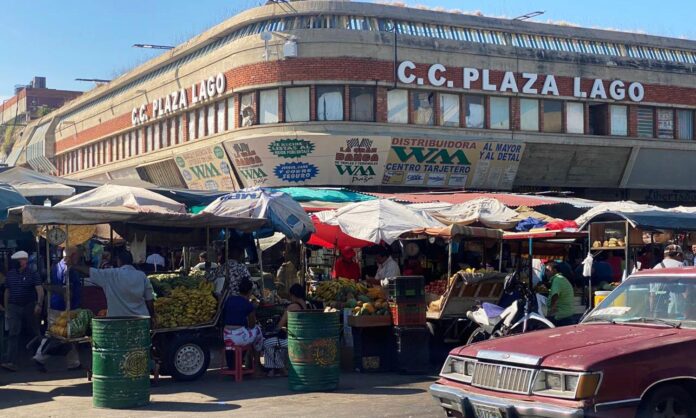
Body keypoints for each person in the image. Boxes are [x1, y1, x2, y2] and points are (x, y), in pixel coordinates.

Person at [34, 247, 83, 372]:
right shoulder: (68, 270)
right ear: (73, 255)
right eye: (78, 254)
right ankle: (40, 357)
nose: (79, 257)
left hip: (59, 306)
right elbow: (67, 291)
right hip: (65, 307)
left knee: (70, 335)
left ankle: (73, 362)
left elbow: (48, 285)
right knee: (55, 334)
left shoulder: (56, 267)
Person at [73, 250, 155, 323]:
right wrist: (152, 317)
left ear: (119, 261)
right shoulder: (142, 276)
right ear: (131, 261)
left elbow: (90, 271)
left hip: (117, 322)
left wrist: (73, 266)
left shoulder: (111, 274)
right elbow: (149, 300)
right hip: (140, 321)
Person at [2, 251, 44, 372]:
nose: (21, 262)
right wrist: (7, 309)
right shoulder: (10, 275)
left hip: (29, 306)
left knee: (34, 332)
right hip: (14, 306)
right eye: (19, 260)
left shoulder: (33, 274)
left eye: (22, 260)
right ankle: (11, 361)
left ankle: (39, 359)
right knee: (13, 333)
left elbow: (39, 290)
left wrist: (39, 304)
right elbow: (7, 291)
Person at [262, 283, 313, 377]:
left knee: (267, 342)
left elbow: (279, 326)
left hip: (295, 340)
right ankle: (271, 371)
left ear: (293, 295)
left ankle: (283, 370)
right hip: (305, 337)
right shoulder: (308, 304)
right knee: (274, 343)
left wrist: (273, 330)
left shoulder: (292, 307)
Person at [222, 279, 264, 370]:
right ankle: (256, 365)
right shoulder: (248, 304)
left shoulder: (230, 299)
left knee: (248, 332)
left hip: (226, 336)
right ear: (250, 291)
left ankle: (249, 362)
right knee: (258, 331)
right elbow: (252, 325)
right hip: (238, 338)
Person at [651, 244, 685, 316]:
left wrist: (652, 312)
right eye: (682, 256)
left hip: (660, 311)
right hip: (679, 311)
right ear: (678, 254)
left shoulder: (655, 268)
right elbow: (687, 291)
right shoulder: (682, 266)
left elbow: (652, 294)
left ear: (665, 255)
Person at [545, 261, 575, 327]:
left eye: (547, 270)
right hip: (566, 314)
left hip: (561, 317)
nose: (546, 273)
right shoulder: (560, 279)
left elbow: (555, 295)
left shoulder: (557, 280)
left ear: (554, 270)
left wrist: (552, 309)